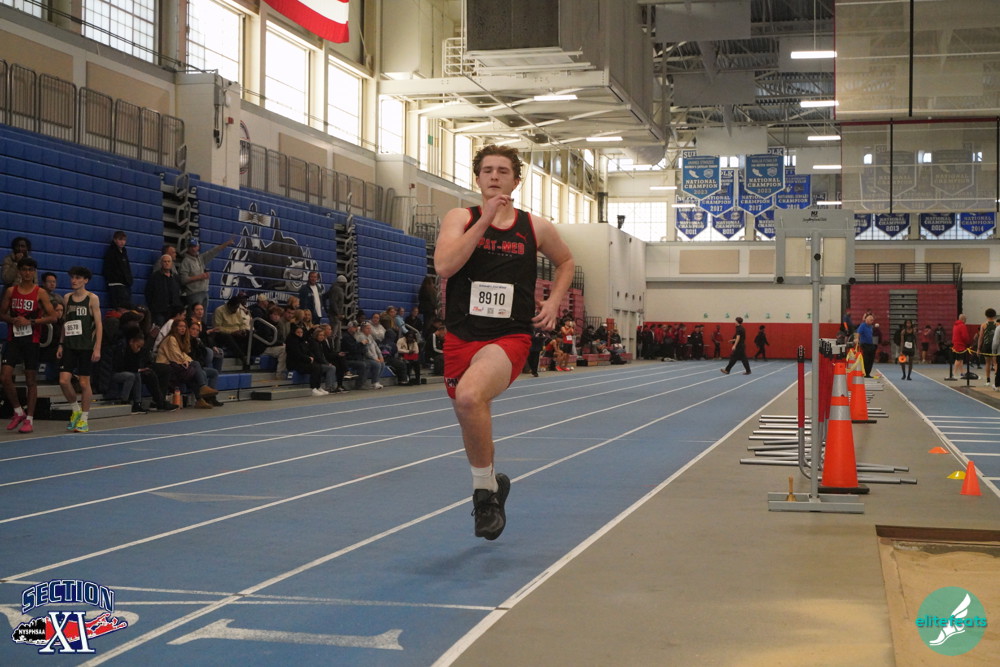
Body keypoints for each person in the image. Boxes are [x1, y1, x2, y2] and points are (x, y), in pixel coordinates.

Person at [435, 143, 574, 541]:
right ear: (477, 178)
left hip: (509, 334)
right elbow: (445, 266)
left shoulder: (535, 227)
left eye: (503, 171)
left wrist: (554, 301)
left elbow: (566, 262)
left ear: (516, 180)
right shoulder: (461, 218)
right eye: (487, 170)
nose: (495, 176)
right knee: (471, 415)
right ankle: (493, 484)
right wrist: (484, 221)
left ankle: (484, 496)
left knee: (469, 398)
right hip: (462, 334)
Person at [1, 257, 57, 433]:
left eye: (30, 270)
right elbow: (2, 313)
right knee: (5, 376)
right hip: (13, 338)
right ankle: (18, 411)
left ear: (34, 272)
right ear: (19, 271)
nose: (27, 273)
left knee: (30, 380)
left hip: (31, 340)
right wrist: (12, 320)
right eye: (24, 269)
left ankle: (30, 419)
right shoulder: (11, 291)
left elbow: (53, 317)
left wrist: (31, 322)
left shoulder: (40, 293)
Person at [57, 266, 103, 433]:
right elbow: (65, 322)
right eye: (72, 277)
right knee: (63, 381)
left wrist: (97, 347)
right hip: (70, 345)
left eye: (77, 278)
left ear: (85, 280)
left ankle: (84, 418)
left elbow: (98, 324)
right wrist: (61, 344)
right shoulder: (67, 298)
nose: (74, 281)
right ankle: (75, 410)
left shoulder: (92, 298)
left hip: (86, 346)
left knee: (84, 383)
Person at [154, 318, 216, 408]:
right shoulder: (171, 338)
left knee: (195, 368)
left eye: (184, 326)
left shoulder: (179, 339)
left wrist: (187, 360)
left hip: (174, 366)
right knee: (195, 366)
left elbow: (183, 354)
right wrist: (184, 361)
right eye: (180, 326)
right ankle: (202, 389)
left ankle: (200, 399)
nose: (183, 328)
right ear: (175, 327)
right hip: (166, 366)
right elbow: (174, 355)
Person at [178, 236, 235, 309]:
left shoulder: (200, 259)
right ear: (188, 248)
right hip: (193, 294)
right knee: (194, 315)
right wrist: (199, 277)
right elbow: (183, 280)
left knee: (203, 316)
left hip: (204, 292)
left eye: (194, 246)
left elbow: (213, 252)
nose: (193, 249)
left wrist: (226, 244)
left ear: (198, 247)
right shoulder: (185, 262)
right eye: (191, 246)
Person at [212, 292, 251, 368]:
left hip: (237, 332)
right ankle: (243, 358)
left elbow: (242, 323)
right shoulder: (219, 310)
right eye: (234, 308)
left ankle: (251, 355)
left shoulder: (237, 310)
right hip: (223, 334)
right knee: (227, 337)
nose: (235, 310)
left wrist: (243, 330)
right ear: (229, 306)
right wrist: (232, 332)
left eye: (237, 307)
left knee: (249, 333)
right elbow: (217, 328)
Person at [146, 254, 184, 326]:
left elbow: (179, 292)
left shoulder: (176, 277)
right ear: (161, 263)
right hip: (159, 310)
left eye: (168, 261)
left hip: (173, 310)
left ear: (172, 263)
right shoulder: (154, 277)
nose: (167, 263)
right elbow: (148, 292)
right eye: (165, 261)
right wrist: (153, 306)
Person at [102, 230, 134, 309]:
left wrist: (129, 280)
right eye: (120, 239)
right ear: (114, 240)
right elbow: (108, 268)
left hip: (124, 284)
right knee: (120, 307)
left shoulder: (124, 252)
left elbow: (127, 268)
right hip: (115, 284)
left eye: (124, 240)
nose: (122, 242)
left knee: (126, 307)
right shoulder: (111, 252)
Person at [977, 309, 997, 386]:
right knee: (995, 363)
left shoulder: (983, 325)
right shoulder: (997, 324)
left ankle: (988, 381)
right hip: (995, 345)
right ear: (994, 315)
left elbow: (981, 337)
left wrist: (978, 348)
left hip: (987, 345)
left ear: (986, 315)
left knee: (988, 363)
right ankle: (997, 381)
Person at [854, 313, 876, 378]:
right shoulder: (862, 325)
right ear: (866, 319)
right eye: (870, 319)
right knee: (866, 359)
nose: (872, 321)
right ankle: (864, 372)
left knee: (871, 359)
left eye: (872, 320)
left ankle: (868, 373)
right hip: (864, 344)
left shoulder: (871, 327)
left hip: (871, 344)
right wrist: (857, 339)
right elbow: (858, 333)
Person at [951, 313, 972, 380]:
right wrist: (968, 342)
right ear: (963, 319)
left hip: (956, 343)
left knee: (961, 359)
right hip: (960, 344)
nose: (966, 320)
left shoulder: (955, 325)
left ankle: (962, 372)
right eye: (965, 319)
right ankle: (954, 373)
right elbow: (965, 336)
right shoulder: (962, 326)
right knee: (958, 359)